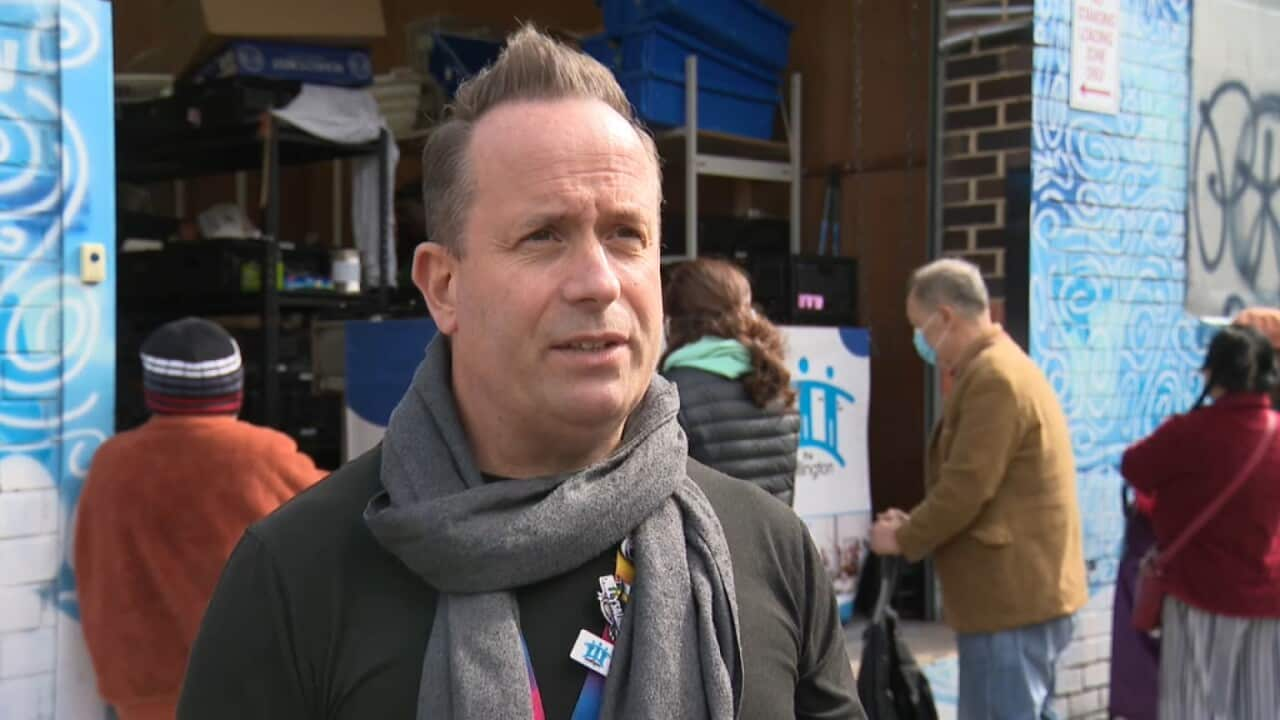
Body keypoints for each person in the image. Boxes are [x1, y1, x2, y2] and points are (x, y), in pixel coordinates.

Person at [177, 27, 863, 720]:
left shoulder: (769, 550)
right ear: (443, 286)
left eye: (627, 235)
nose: (599, 282)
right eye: (544, 236)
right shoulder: (299, 573)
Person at [74, 317, 325, 720]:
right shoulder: (261, 456)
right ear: (235, 389)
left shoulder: (110, 462)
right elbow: (346, 523)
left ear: (151, 390)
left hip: (143, 694)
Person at [868, 257, 1086, 720]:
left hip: (1010, 603)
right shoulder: (999, 367)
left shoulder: (994, 378)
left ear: (945, 317)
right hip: (1024, 596)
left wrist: (904, 538)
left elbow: (967, 487)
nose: (921, 344)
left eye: (920, 330)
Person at [1120, 324, 1280, 719]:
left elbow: (1133, 466)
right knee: (1259, 706)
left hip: (1196, 593)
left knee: (1191, 708)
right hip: (1267, 598)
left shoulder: (1188, 432)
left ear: (1213, 374)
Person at [661, 257, 800, 505]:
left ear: (674, 319)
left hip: (706, 544)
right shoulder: (774, 381)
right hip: (772, 543)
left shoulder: (671, 393)